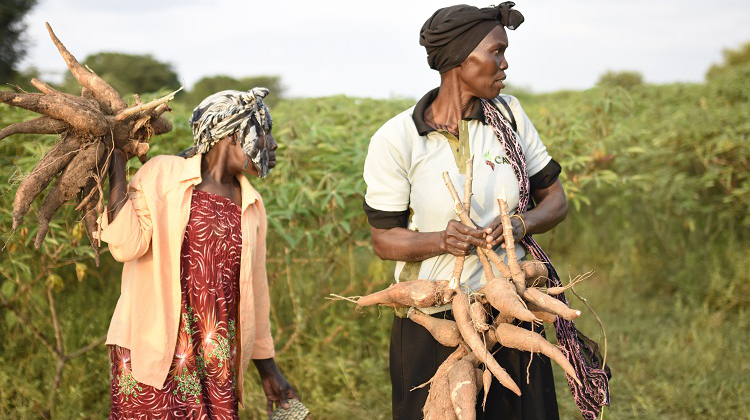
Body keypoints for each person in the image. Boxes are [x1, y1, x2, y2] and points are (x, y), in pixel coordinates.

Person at [362, 3, 610, 420]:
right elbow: (384, 240)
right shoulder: (397, 138)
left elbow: (556, 201)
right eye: (496, 51)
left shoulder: (509, 117)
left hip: (512, 311)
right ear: (461, 59)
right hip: (432, 321)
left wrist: (519, 223)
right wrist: (441, 240)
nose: (505, 63)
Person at [99, 88, 299, 419]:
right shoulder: (162, 174)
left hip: (215, 356)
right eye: (263, 132)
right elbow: (125, 245)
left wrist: (268, 370)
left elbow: (255, 294)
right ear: (232, 135)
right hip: (153, 348)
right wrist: (116, 161)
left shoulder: (251, 204)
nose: (273, 144)